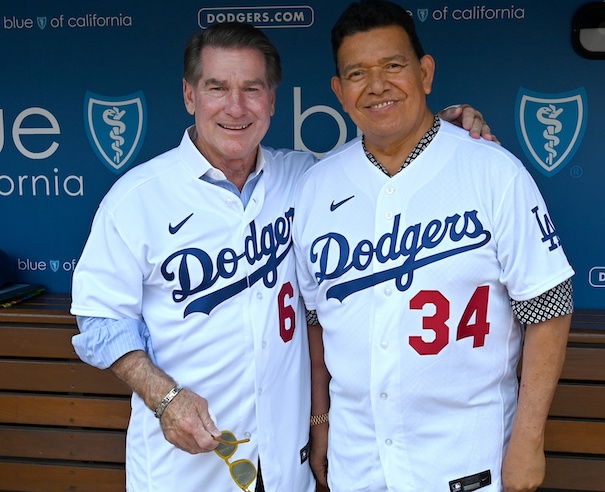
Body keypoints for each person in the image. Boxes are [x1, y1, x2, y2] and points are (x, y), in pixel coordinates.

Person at [70, 21, 494, 492]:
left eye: (253, 89)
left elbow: (387, 160)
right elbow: (100, 320)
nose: (236, 107)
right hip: (185, 469)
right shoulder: (137, 198)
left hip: (287, 465)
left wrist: (444, 129)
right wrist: (164, 397)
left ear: (272, 101)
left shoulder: (307, 180)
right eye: (217, 88)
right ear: (190, 96)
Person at [292, 2, 575, 492]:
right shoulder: (316, 186)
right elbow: (317, 320)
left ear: (425, 73)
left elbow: (548, 307)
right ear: (339, 92)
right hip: (357, 461)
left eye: (393, 66)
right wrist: (321, 420)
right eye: (357, 73)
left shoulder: (492, 171)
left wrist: (529, 441)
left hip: (467, 457)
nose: (376, 85)